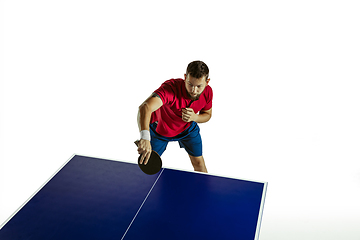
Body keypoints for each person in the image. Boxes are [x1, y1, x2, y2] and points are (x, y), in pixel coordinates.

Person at [137, 60, 213, 173]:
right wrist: (145, 137)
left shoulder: (208, 92)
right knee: (147, 164)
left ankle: (205, 190)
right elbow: (145, 107)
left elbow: (207, 115)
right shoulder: (170, 89)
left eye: (198, 86)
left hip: (188, 130)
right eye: (190, 84)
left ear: (207, 82)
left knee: (199, 163)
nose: (193, 90)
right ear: (185, 77)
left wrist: (195, 118)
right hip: (160, 131)